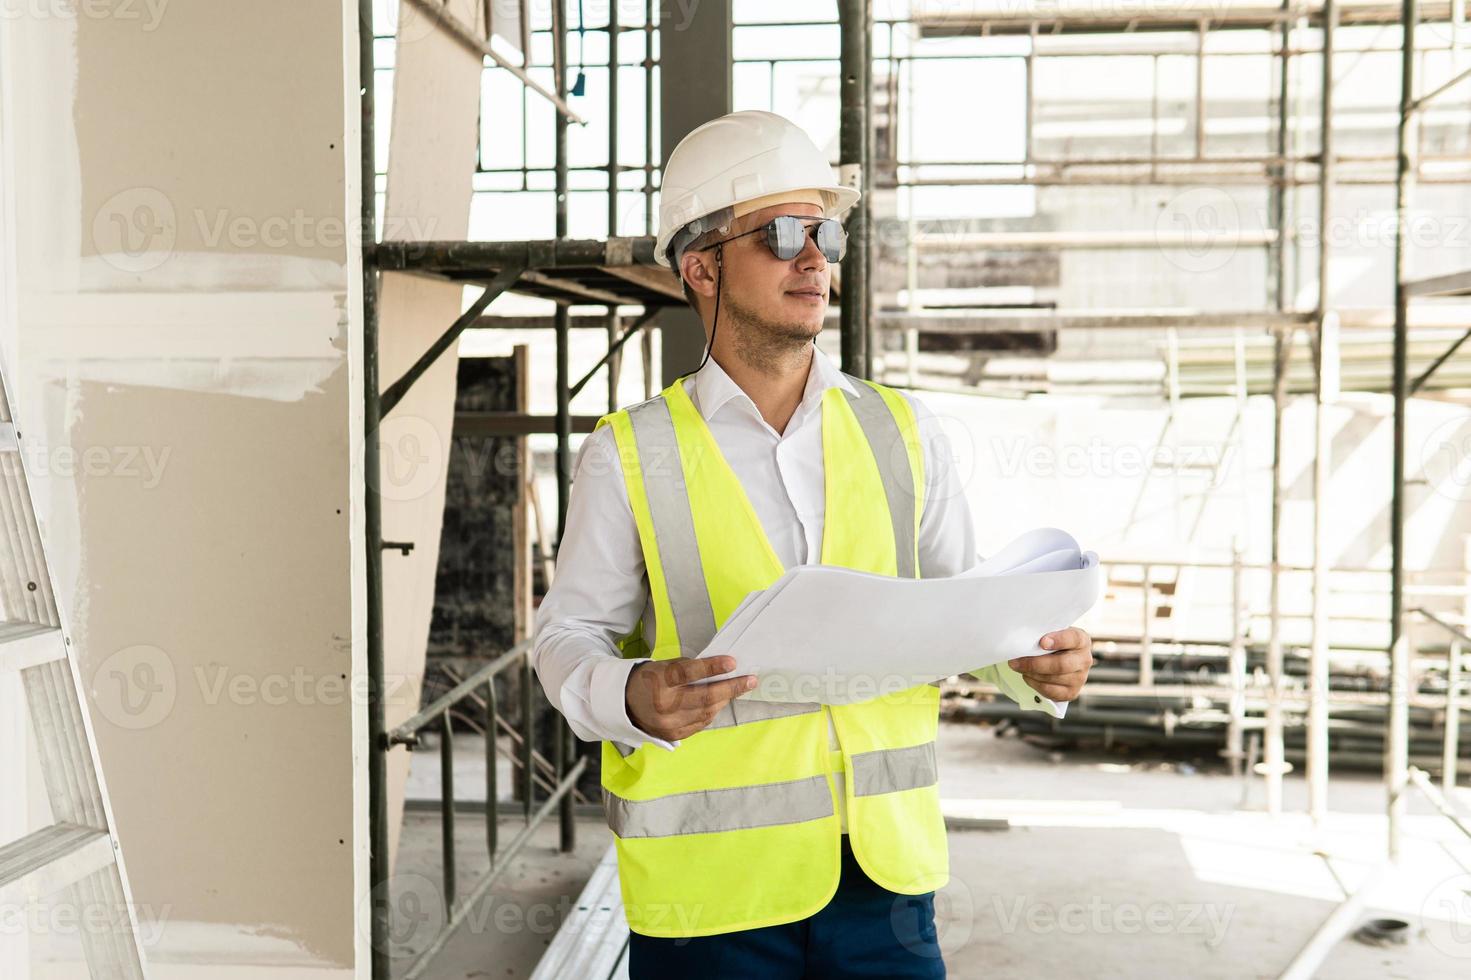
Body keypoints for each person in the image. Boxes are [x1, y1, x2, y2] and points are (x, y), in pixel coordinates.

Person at [531, 109, 1094, 978]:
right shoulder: (631, 451)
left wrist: (1029, 664)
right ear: (703, 267)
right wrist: (631, 695)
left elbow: (963, 613)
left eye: (824, 232)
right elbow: (565, 638)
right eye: (783, 232)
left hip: (884, 882)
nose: (814, 257)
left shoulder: (903, 430)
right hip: (709, 897)